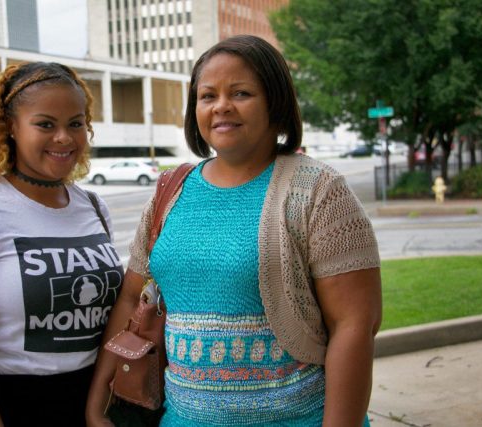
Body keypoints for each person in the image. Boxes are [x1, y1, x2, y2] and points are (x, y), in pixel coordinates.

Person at [87, 34, 382, 427]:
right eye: (207, 96)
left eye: (241, 93)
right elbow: (129, 298)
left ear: (275, 102)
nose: (222, 106)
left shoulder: (318, 190)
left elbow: (355, 325)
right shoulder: (169, 191)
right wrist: (97, 402)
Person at [0, 61, 123, 426]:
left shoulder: (93, 206)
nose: (64, 137)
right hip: (6, 405)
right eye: (45, 124)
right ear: (11, 127)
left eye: (76, 124)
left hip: (89, 402)